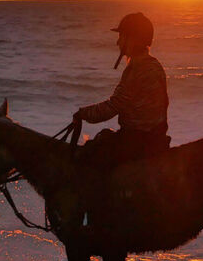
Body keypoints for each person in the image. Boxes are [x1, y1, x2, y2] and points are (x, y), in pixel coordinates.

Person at [72, 12, 170, 167]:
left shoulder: (137, 69)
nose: (118, 42)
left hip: (136, 142)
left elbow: (114, 106)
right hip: (156, 139)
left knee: (89, 157)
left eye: (122, 36)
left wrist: (83, 114)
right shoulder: (155, 66)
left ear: (133, 39)